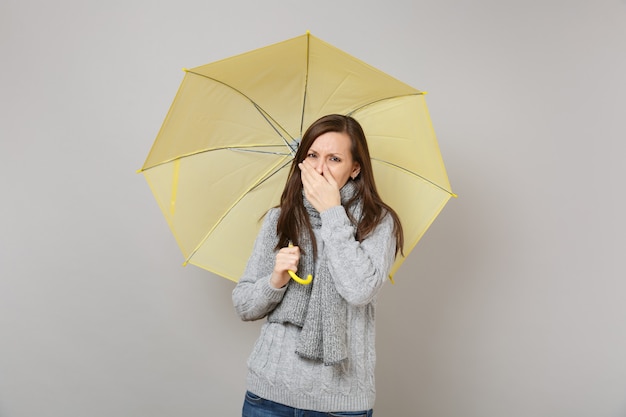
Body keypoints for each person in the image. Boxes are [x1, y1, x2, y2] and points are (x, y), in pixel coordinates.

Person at [232, 114, 403, 416]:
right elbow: (244, 305)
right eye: (312, 155)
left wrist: (331, 211)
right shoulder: (279, 219)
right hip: (268, 397)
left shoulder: (377, 223)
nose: (320, 168)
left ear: (355, 169)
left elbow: (359, 290)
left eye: (334, 158)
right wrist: (275, 281)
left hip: (339, 405)